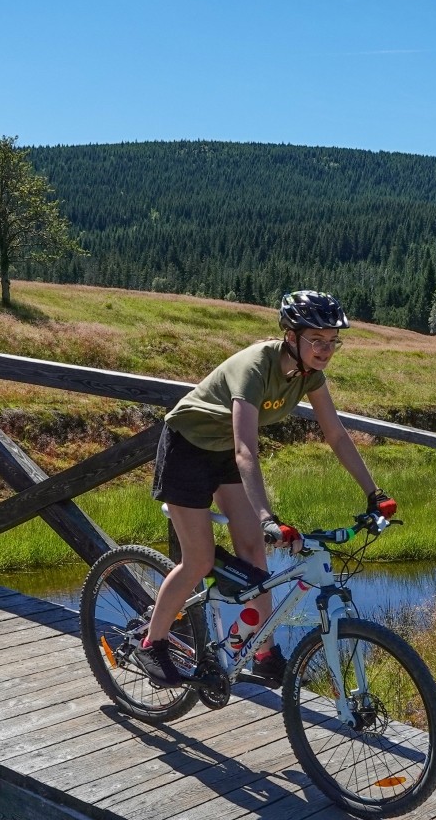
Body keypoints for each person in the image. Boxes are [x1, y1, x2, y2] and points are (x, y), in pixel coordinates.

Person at [132, 290, 392, 688]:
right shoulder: (256, 366)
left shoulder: (310, 376)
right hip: (187, 448)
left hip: (220, 453)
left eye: (333, 341)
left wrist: (374, 493)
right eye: (317, 340)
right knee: (199, 560)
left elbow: (337, 436)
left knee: (255, 556)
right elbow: (244, 450)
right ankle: (153, 642)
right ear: (291, 336)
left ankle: (264, 652)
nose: (326, 349)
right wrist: (268, 516)